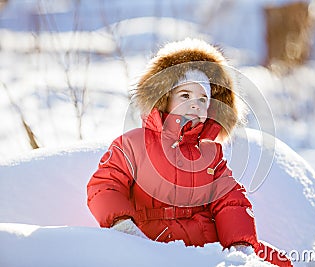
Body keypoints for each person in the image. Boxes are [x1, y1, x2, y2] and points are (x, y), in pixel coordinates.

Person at [87, 38, 292, 267]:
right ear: (164, 99)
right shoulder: (133, 145)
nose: (195, 104)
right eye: (185, 96)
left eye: (203, 99)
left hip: (206, 248)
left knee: (279, 262)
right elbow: (104, 186)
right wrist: (124, 226)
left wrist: (238, 244)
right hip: (153, 246)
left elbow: (230, 200)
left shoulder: (210, 153)